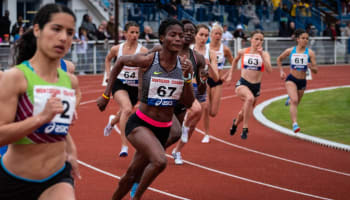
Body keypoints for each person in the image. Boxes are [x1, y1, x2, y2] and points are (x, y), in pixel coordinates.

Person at [97, 18, 195, 200]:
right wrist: (106, 94)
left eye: (180, 36)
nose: (178, 39)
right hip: (140, 124)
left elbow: (189, 102)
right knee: (159, 161)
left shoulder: (183, 66)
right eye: (172, 35)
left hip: (162, 129)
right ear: (162, 38)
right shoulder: (150, 59)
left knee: (130, 176)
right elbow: (119, 62)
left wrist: (188, 78)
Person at [0, 4, 80, 200]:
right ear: (37, 30)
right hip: (14, 181)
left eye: (70, 32)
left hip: (56, 177)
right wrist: (40, 118)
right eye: (56, 29)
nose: (63, 37)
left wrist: (71, 150)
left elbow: (56, 126)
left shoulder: (70, 81)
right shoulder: (16, 78)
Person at [172, 23, 219, 164]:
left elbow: (216, 78)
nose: (203, 38)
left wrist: (208, 65)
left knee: (196, 120)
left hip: (201, 88)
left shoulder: (210, 53)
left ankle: (177, 151)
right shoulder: (187, 49)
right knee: (193, 112)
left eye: (206, 35)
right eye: (201, 35)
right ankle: (183, 127)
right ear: (195, 35)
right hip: (187, 87)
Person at [103, 21, 148, 157]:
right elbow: (108, 59)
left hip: (135, 87)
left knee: (124, 111)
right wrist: (108, 74)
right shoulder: (117, 49)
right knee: (127, 109)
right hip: (120, 83)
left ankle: (112, 122)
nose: (134, 35)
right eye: (132, 32)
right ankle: (124, 146)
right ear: (125, 34)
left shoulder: (143, 51)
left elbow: (146, 68)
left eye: (136, 32)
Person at [228, 30, 272, 139]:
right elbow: (234, 61)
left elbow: (269, 70)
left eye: (261, 40)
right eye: (256, 39)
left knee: (243, 112)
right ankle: (245, 128)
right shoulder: (243, 51)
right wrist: (230, 75)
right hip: (243, 83)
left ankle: (235, 124)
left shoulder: (264, 54)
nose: (259, 41)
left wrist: (261, 55)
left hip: (256, 86)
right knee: (249, 99)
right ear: (251, 39)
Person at [277, 28, 317, 133]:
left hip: (302, 82)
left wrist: (311, 67)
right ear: (298, 39)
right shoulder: (290, 51)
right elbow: (279, 59)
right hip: (291, 79)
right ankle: (295, 124)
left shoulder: (310, 53)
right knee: (294, 101)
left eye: (307, 38)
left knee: (296, 102)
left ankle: (289, 99)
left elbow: (316, 70)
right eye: (303, 38)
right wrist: (281, 71)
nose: (305, 40)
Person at [202, 22, 234, 143]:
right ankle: (206, 133)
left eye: (220, 34)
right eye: (215, 33)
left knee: (213, 112)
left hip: (218, 80)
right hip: (206, 80)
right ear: (211, 35)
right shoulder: (206, 48)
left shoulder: (224, 49)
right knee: (205, 107)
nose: (218, 36)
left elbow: (234, 62)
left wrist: (228, 75)